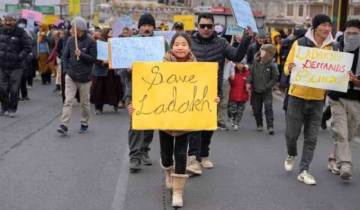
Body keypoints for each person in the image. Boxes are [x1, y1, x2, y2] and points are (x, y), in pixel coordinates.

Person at [186, 13, 253, 174]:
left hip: (213, 92)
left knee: (209, 126)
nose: (206, 29)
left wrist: (246, 39)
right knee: (195, 126)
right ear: (197, 26)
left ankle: (204, 155)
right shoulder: (189, 43)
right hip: (192, 91)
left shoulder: (221, 43)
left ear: (214, 26)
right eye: (203, 26)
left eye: (209, 26)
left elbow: (236, 56)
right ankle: (193, 158)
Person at [284, 14, 337, 185]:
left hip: (317, 99)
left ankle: (304, 170)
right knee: (292, 135)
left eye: (329, 25)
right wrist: (289, 68)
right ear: (315, 27)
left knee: (311, 137)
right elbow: (286, 66)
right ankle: (291, 153)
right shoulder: (300, 43)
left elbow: (336, 71)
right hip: (296, 97)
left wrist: (345, 76)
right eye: (323, 25)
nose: (327, 28)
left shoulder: (334, 48)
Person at [123, 14, 169, 172]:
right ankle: (134, 157)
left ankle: (144, 150)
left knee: (150, 124)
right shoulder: (130, 43)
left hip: (155, 91)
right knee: (136, 124)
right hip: (135, 91)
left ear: (154, 27)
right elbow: (119, 73)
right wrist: (127, 71)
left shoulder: (162, 43)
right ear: (139, 27)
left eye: (150, 25)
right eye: (144, 25)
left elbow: (171, 65)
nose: (147, 28)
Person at [327, 19, 360, 180]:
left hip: (356, 99)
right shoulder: (335, 49)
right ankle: (345, 164)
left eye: (356, 34)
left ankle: (333, 158)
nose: (352, 36)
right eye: (349, 33)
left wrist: (356, 81)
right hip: (337, 97)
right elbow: (324, 71)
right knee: (341, 131)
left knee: (348, 134)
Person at [57, 17, 97, 135]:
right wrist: (66, 70)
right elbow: (65, 56)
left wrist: (82, 54)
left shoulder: (91, 42)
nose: (70, 29)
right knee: (68, 100)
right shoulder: (70, 40)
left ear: (80, 29)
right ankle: (64, 124)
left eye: (73, 27)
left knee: (84, 103)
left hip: (85, 78)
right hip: (71, 76)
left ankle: (84, 123)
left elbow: (93, 59)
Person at [0, 11, 31, 117]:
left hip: (16, 66)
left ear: (15, 21)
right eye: (6, 20)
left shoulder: (21, 32)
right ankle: (4, 107)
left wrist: (19, 58)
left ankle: (12, 109)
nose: (8, 22)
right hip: (2, 65)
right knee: (1, 88)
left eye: (10, 20)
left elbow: (27, 47)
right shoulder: (1, 31)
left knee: (14, 89)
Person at [246, 44, 279, 134]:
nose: (261, 52)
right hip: (256, 90)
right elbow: (251, 74)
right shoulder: (255, 63)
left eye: (264, 51)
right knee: (256, 109)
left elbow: (275, 77)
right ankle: (259, 124)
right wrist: (248, 82)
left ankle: (270, 126)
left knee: (268, 109)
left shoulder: (271, 65)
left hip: (266, 91)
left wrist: (268, 86)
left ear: (269, 54)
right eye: (261, 50)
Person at [91, 28, 123, 114]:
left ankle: (115, 105)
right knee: (99, 89)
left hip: (112, 70)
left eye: (112, 32)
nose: (111, 33)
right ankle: (98, 108)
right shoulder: (98, 43)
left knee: (114, 88)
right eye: (109, 32)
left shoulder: (114, 43)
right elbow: (94, 56)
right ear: (105, 33)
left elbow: (119, 53)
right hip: (101, 71)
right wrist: (101, 62)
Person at [229, 58, 250, 131]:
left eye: (242, 63)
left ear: (244, 64)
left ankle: (236, 123)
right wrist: (231, 79)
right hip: (233, 95)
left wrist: (249, 86)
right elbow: (230, 83)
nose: (240, 65)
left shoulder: (247, 73)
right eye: (238, 63)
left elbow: (249, 82)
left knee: (240, 111)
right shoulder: (233, 71)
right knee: (233, 110)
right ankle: (233, 118)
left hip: (243, 95)